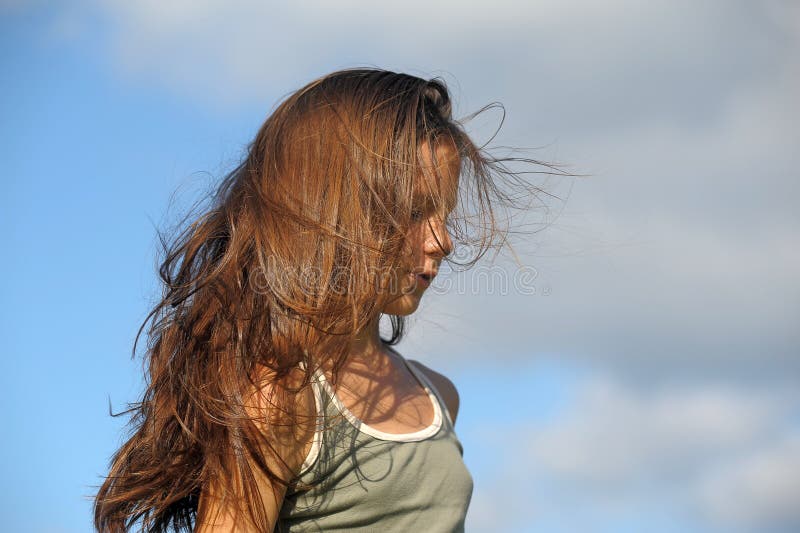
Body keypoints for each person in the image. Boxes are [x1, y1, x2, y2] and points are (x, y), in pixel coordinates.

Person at [94, 68, 550, 532]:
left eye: (444, 214)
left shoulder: (440, 398)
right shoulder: (280, 399)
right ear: (330, 210)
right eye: (414, 212)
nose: (443, 240)